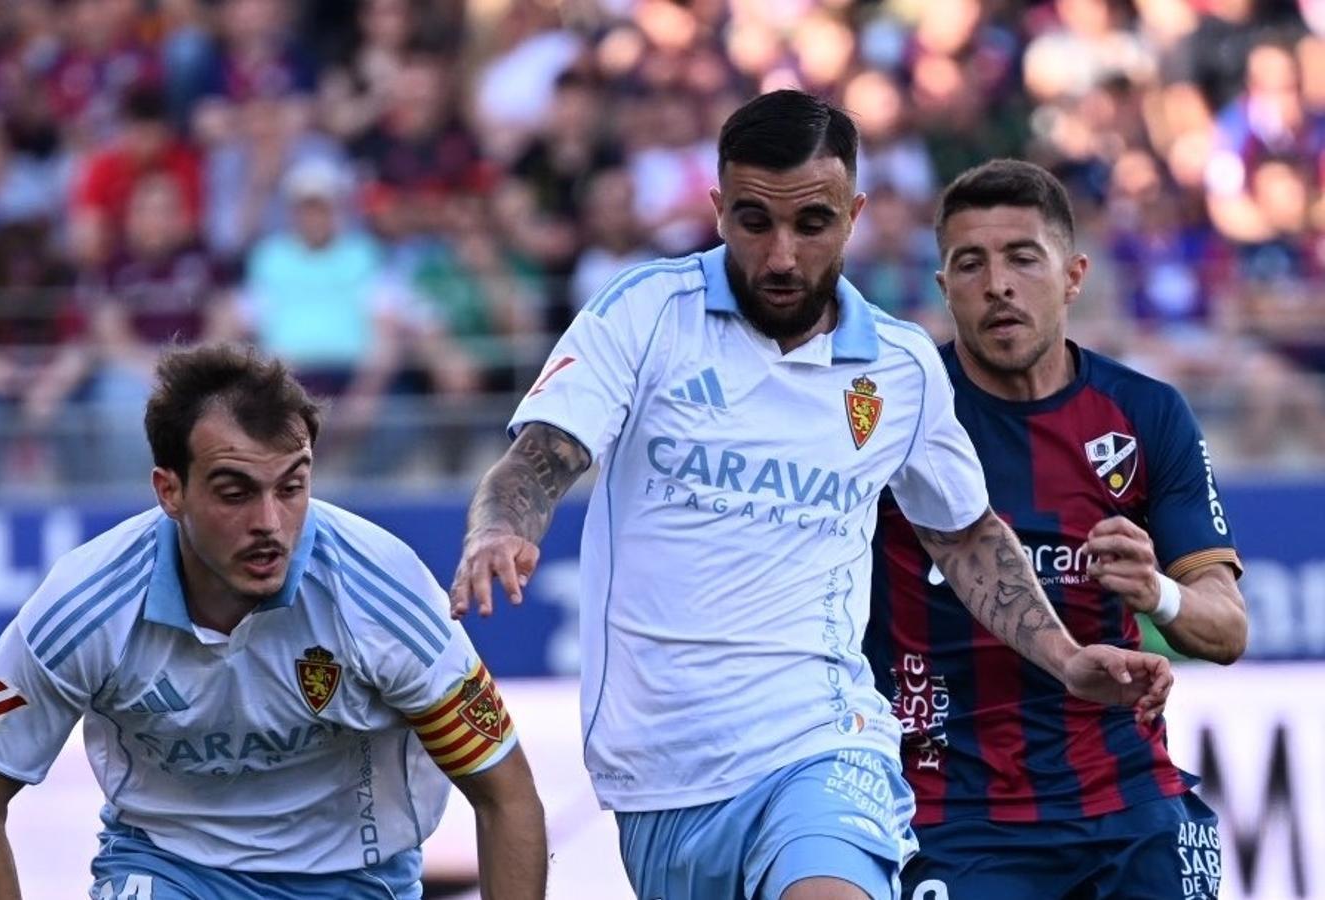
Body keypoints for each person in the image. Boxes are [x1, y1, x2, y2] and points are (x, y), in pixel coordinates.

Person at [448, 89, 1173, 900]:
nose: (783, 256)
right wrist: (500, 528)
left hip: (824, 741)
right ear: (718, 210)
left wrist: (1068, 659)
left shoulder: (899, 367)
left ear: (854, 215)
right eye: (755, 222)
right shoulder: (646, 313)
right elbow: (540, 456)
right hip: (660, 772)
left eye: (813, 223)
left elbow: (965, 535)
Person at [0, 344, 547, 900]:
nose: (269, 524)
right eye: (235, 492)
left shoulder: (384, 594)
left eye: (292, 487)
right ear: (169, 491)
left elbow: (506, 797)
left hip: (356, 880)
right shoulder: (86, 606)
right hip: (167, 866)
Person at [864, 159, 1247, 899]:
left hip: (1127, 797)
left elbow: (1227, 629)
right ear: (944, 287)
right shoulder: (898, 418)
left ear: (1073, 277)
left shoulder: (1146, 413)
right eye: (969, 264)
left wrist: (1158, 593)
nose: (997, 285)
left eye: (1022, 258)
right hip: (949, 811)